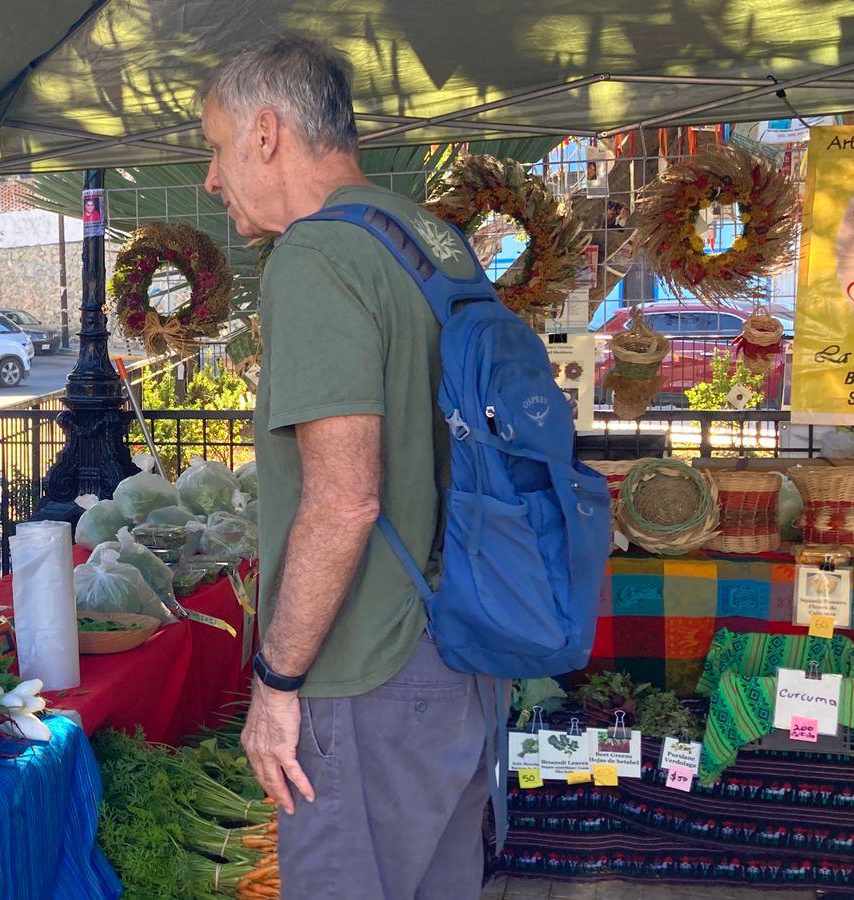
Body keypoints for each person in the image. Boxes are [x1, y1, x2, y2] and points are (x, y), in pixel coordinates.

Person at [202, 35, 500, 898]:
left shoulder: (316, 254)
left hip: (368, 667)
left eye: (217, 149)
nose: (214, 180)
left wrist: (278, 680)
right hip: (460, 650)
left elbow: (342, 502)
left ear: (266, 134)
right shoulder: (431, 238)